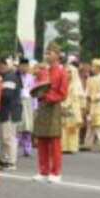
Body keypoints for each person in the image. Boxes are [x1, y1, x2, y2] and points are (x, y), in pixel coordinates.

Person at [32, 45, 67, 182]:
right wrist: (38, 93)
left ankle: (56, 172)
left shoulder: (62, 72)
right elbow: (37, 87)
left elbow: (63, 94)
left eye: (50, 52)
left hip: (54, 107)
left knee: (54, 141)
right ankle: (43, 171)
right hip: (42, 106)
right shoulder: (44, 71)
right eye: (46, 53)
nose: (47, 55)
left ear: (57, 55)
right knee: (42, 139)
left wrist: (49, 97)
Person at [0, 57, 22, 169]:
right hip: (7, 111)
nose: (1, 66)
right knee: (4, 137)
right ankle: (3, 159)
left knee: (8, 137)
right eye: (0, 64)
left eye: (4, 64)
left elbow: (7, 95)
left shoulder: (10, 77)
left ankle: (11, 161)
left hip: (9, 111)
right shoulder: (8, 76)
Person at [83, 59, 100, 152]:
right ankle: (88, 144)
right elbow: (87, 91)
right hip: (91, 106)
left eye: (94, 66)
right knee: (90, 126)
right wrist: (86, 97)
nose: (92, 68)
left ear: (99, 68)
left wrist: (94, 97)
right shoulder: (90, 79)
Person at [61, 58, 85, 155]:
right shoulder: (64, 83)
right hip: (64, 107)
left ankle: (72, 147)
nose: (68, 74)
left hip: (73, 108)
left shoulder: (77, 84)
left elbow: (80, 97)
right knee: (63, 127)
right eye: (66, 72)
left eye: (69, 72)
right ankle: (63, 146)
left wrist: (83, 109)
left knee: (72, 129)